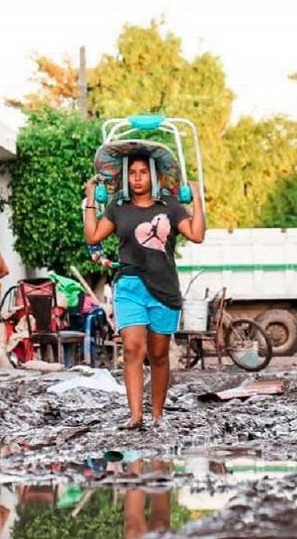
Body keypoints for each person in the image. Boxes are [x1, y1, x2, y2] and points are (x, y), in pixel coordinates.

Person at [84, 155, 205, 428]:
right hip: (129, 285)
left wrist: (196, 198)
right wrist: (91, 199)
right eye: (132, 173)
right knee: (132, 348)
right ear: (126, 177)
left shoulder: (171, 206)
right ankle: (136, 416)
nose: (137, 178)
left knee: (159, 354)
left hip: (164, 288)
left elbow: (197, 235)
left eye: (143, 172)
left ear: (153, 175)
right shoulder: (118, 206)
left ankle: (158, 415)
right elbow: (92, 237)